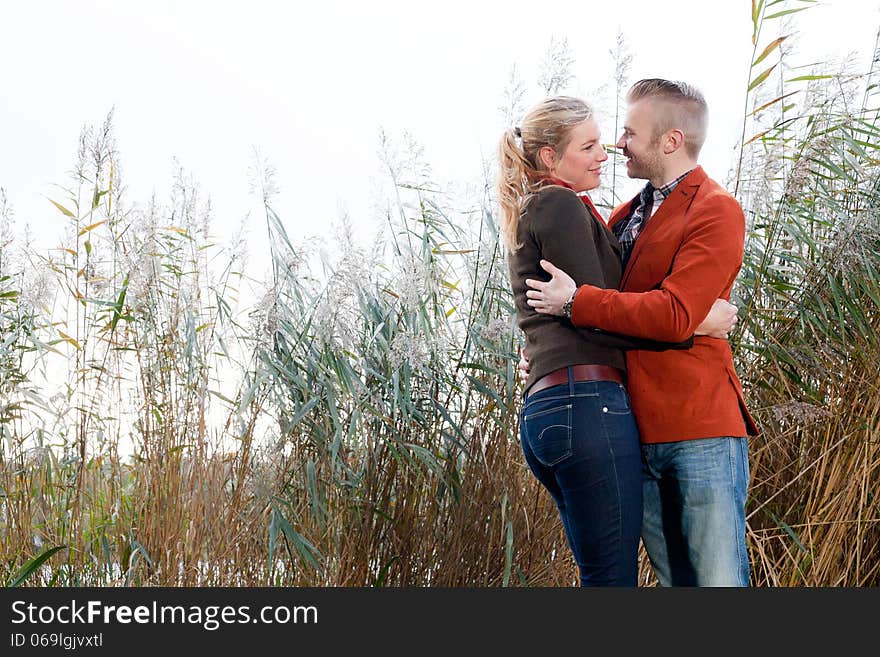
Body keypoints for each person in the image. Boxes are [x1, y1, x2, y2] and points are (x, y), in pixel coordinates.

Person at [524, 79, 760, 587]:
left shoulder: (716, 209)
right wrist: (548, 352)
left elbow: (670, 311)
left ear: (670, 140)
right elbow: (638, 313)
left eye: (629, 132)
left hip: (697, 425)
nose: (617, 143)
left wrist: (577, 304)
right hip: (634, 427)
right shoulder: (623, 216)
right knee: (675, 584)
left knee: (717, 582)